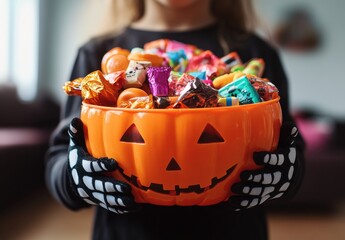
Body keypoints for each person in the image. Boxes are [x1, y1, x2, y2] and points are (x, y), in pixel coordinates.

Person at [45, 0, 305, 239]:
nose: (175, 165)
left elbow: (292, 152)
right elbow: (57, 159)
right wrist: (74, 176)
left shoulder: (257, 51)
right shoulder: (98, 57)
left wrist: (287, 175)